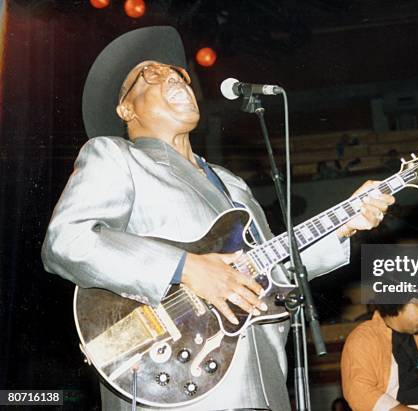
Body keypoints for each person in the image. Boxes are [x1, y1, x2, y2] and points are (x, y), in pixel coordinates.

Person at [41, 27, 394, 411]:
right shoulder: (116, 156)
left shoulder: (231, 184)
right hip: (179, 380)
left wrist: (345, 223)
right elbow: (66, 241)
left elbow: (275, 271)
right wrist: (187, 267)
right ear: (126, 109)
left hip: (264, 381)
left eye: (178, 72)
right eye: (152, 73)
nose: (174, 76)